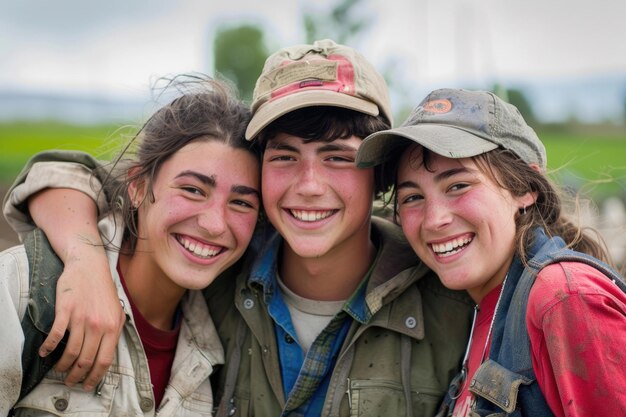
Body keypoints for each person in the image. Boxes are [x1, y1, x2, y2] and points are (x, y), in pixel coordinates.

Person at [3, 40, 474, 416]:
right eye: (285, 157)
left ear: (382, 174)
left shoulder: (452, 304)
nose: (309, 186)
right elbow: (72, 172)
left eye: (338, 158)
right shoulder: (215, 284)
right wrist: (86, 262)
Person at [355, 87, 626, 417]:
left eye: (458, 186)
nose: (434, 219)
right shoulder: (482, 307)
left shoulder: (562, 297)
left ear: (525, 189)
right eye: (412, 197)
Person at [0, 76, 262, 415]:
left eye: (241, 203)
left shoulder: (229, 337)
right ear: (138, 187)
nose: (214, 224)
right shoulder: (24, 291)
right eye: (193, 190)